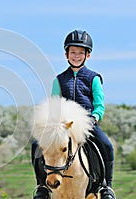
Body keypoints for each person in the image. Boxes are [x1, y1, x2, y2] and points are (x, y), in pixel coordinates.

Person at [31, 30, 116, 199]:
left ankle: (106, 187)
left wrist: (95, 117)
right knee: (36, 145)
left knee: (107, 145)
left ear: (87, 56)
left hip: (86, 125)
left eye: (80, 53)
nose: (76, 56)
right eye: (73, 52)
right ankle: (42, 186)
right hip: (63, 126)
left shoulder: (94, 78)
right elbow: (54, 104)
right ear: (66, 54)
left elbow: (99, 105)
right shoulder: (59, 80)